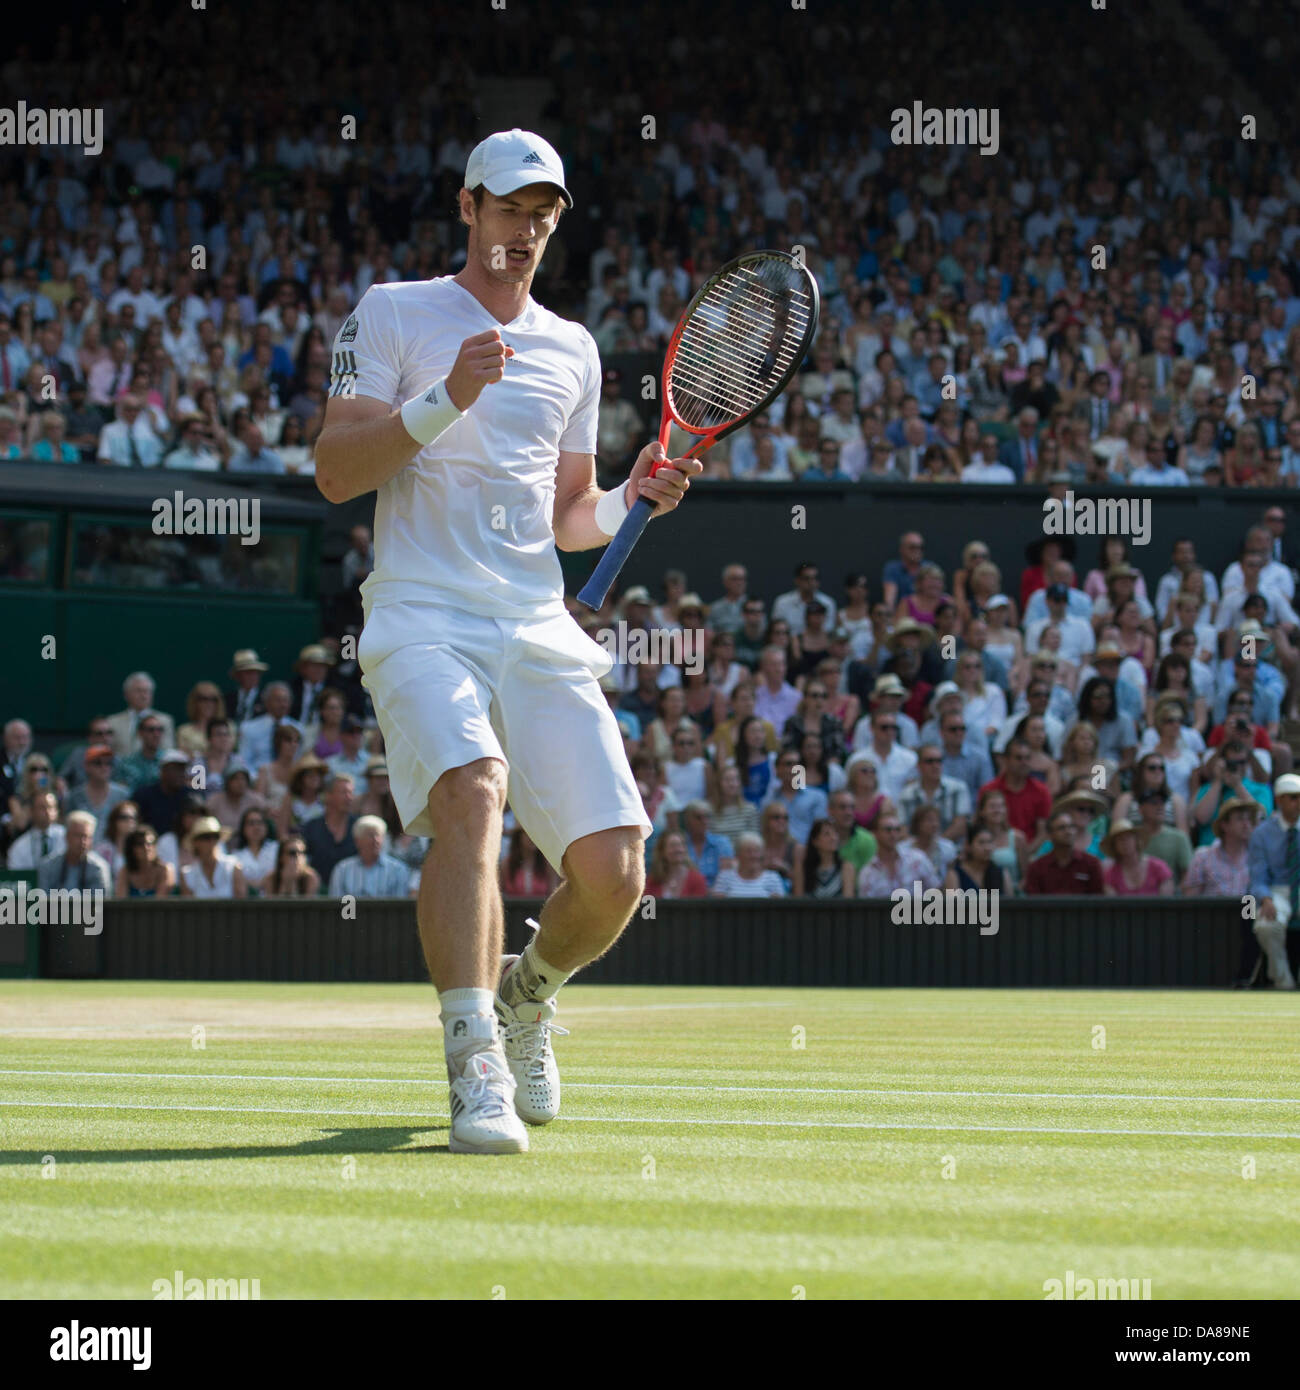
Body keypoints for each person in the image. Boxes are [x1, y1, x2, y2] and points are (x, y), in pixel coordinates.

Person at [322, 139, 706, 1160]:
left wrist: (634, 496)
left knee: (618, 871)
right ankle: (473, 1059)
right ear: (468, 206)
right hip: (420, 613)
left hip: (535, 620)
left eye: (544, 209)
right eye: (508, 205)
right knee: (472, 791)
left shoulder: (571, 348)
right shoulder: (392, 311)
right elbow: (333, 470)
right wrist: (445, 395)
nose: (525, 226)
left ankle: (526, 995)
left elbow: (572, 513)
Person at [1246, 774, 1300, 989]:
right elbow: (1258, 876)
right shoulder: (1261, 834)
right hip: (1277, 890)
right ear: (1279, 800)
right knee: (1266, 925)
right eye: (1293, 797)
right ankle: (1283, 981)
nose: (1298, 802)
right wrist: (1266, 898)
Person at [857, 809, 938, 896]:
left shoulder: (917, 859)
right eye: (888, 830)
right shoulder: (867, 872)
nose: (893, 834)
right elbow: (866, 907)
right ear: (875, 834)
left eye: (897, 829)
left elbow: (936, 891)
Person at [1024, 807, 1104, 894]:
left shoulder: (1091, 864)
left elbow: (1098, 900)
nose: (1068, 831)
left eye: (1071, 827)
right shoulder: (1037, 868)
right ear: (1050, 835)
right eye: (1061, 828)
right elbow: (1033, 903)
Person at [329, 816, 415, 897]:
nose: (376, 840)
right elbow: (336, 906)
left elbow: (400, 907)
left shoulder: (398, 870)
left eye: (379, 835)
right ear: (357, 840)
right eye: (370, 835)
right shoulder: (342, 870)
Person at [37, 811, 111, 893]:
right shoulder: (48, 867)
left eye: (87, 837)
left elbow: (101, 903)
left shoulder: (98, 868)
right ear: (67, 837)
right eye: (78, 835)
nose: (83, 841)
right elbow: (44, 902)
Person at [1100, 819, 1174, 896]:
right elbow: (1112, 904)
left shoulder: (1159, 867)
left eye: (1128, 837)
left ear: (1136, 840)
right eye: (1120, 839)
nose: (1125, 842)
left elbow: (1166, 902)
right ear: (1114, 845)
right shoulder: (1111, 875)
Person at [178, 816, 247, 898]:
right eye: (206, 837)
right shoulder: (187, 874)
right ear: (195, 842)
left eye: (215, 836)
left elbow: (241, 906)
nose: (212, 841)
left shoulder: (233, 867)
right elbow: (188, 909)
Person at [792, 818, 855, 897]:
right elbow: (798, 900)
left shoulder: (846, 867)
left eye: (835, 833)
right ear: (815, 841)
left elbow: (848, 902)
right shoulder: (805, 869)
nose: (833, 838)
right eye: (827, 834)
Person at [711, 832, 787, 897]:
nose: (753, 855)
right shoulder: (724, 877)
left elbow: (780, 910)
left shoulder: (773, 878)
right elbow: (716, 909)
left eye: (757, 851)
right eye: (748, 851)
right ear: (738, 855)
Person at [944, 821, 1007, 895]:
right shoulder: (954, 875)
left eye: (990, 842)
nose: (987, 848)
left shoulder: (1002, 873)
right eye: (981, 842)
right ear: (968, 846)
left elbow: (1010, 904)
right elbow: (953, 905)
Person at [644, 830, 710, 899]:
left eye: (681, 845)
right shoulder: (653, 881)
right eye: (672, 846)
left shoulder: (697, 880)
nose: (678, 849)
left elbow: (699, 908)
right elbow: (648, 908)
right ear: (662, 851)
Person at [115, 825, 175, 899]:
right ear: (132, 848)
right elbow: (121, 902)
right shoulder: (125, 871)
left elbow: (160, 903)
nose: (146, 848)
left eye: (151, 843)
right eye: (140, 844)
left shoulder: (165, 870)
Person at [500, 824, 557, 896]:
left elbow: (553, 895)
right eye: (529, 833)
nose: (533, 838)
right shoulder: (506, 864)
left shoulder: (548, 865)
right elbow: (499, 895)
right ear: (519, 836)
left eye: (537, 834)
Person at [230, 806, 277, 893]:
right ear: (243, 829)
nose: (256, 827)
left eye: (260, 823)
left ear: (266, 827)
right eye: (251, 823)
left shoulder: (277, 849)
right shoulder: (235, 856)